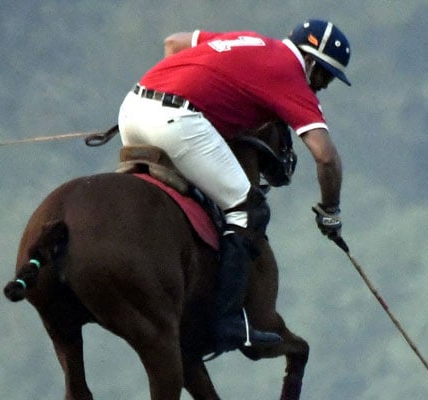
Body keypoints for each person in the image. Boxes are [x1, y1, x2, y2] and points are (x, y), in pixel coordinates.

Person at [117, 19, 351, 355]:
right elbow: (325, 157)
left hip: (133, 110)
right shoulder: (291, 75)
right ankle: (228, 324)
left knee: (195, 197)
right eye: (325, 75)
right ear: (309, 60)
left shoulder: (249, 40)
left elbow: (174, 42)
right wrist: (330, 211)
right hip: (175, 122)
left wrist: (178, 88)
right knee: (246, 207)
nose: (324, 86)